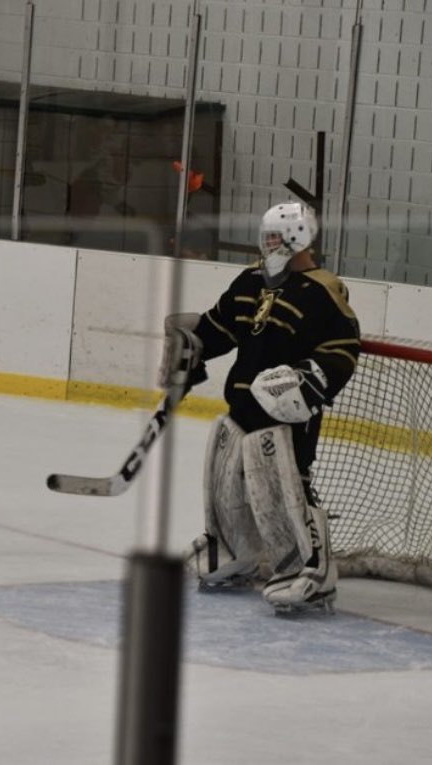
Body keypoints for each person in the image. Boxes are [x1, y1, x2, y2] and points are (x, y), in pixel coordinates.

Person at [157, 201, 360, 612]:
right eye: (265, 236)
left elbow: (342, 348)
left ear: (296, 237)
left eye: (273, 237)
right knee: (224, 476)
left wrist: (307, 379)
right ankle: (234, 552)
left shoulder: (322, 289)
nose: (266, 244)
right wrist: (191, 344)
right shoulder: (251, 281)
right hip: (243, 404)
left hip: (287, 414)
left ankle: (310, 569)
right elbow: (221, 326)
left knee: (284, 487)